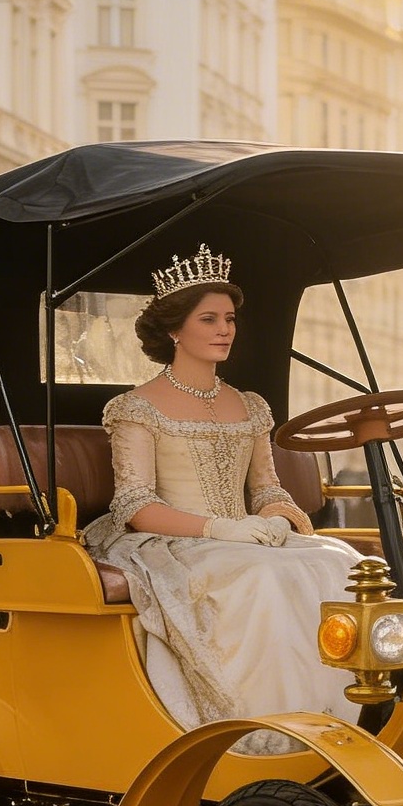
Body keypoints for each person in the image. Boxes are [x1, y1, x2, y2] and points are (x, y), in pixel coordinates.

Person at [82, 245, 365, 736]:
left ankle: (341, 720)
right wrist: (219, 527)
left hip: (245, 537)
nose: (224, 330)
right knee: (260, 579)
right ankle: (265, 729)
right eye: (208, 318)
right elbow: (134, 505)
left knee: (340, 563)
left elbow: (266, 487)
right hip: (177, 541)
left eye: (229, 319)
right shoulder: (136, 408)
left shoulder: (250, 405)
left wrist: (275, 517)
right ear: (174, 330)